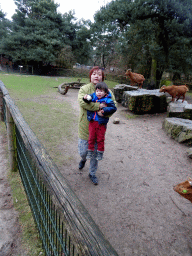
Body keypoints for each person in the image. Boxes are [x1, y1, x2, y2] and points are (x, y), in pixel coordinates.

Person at [78, 66, 117, 185]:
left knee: (95, 152)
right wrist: (99, 106)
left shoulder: (107, 91)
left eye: (99, 74)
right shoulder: (84, 89)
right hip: (85, 125)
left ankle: (92, 173)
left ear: (102, 77)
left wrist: (105, 113)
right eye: (94, 73)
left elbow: (113, 106)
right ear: (90, 76)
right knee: (84, 151)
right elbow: (82, 103)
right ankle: (84, 159)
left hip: (99, 126)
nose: (96, 76)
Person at [83, 81, 117, 161]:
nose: (98, 93)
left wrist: (104, 110)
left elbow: (113, 108)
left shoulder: (107, 100)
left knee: (100, 138)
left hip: (101, 123)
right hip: (92, 122)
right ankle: (90, 151)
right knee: (91, 137)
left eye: (101, 91)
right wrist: (85, 98)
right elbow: (88, 100)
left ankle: (100, 152)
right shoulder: (94, 96)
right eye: (97, 91)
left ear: (105, 92)